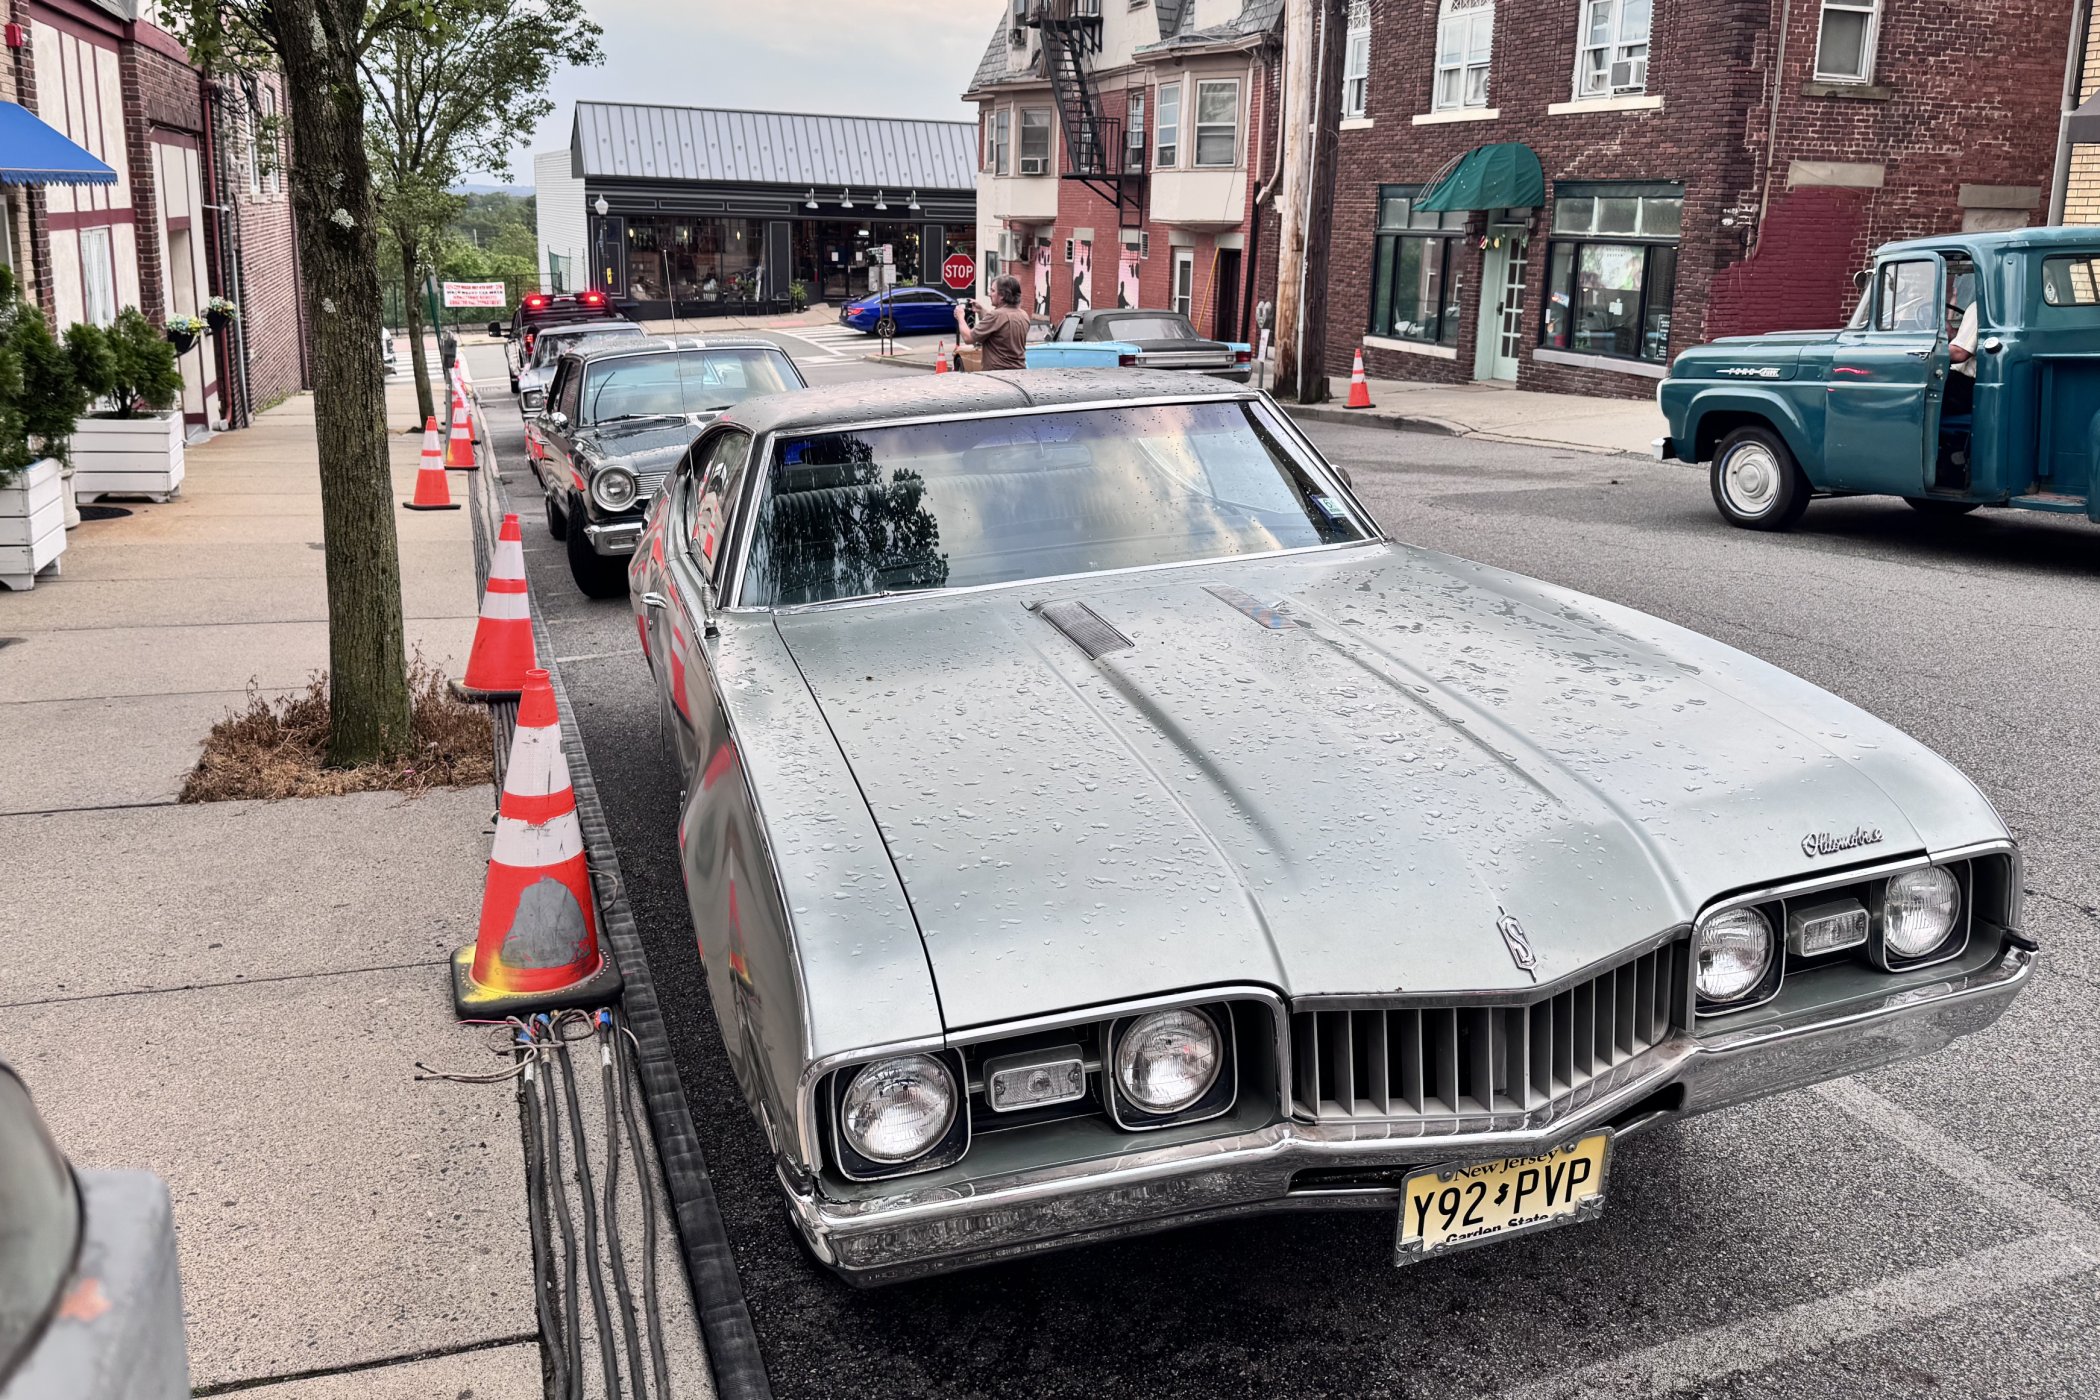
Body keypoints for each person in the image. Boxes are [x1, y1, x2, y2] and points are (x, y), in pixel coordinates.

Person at [954, 274, 1030, 371]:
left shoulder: (996, 316)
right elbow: (999, 326)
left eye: (993, 291)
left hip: (997, 375)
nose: (990, 294)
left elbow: (968, 338)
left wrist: (960, 317)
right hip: (1019, 372)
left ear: (1002, 295)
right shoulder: (1023, 315)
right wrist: (981, 310)